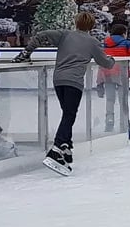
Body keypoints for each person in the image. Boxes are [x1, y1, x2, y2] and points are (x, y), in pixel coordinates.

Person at [13, 11, 115, 176]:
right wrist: (112, 59)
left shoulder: (65, 35)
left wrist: (26, 52)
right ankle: (58, 147)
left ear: (76, 23)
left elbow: (41, 35)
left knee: (67, 114)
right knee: (69, 115)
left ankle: (66, 148)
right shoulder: (93, 42)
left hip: (58, 80)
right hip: (74, 82)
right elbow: (105, 63)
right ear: (92, 25)